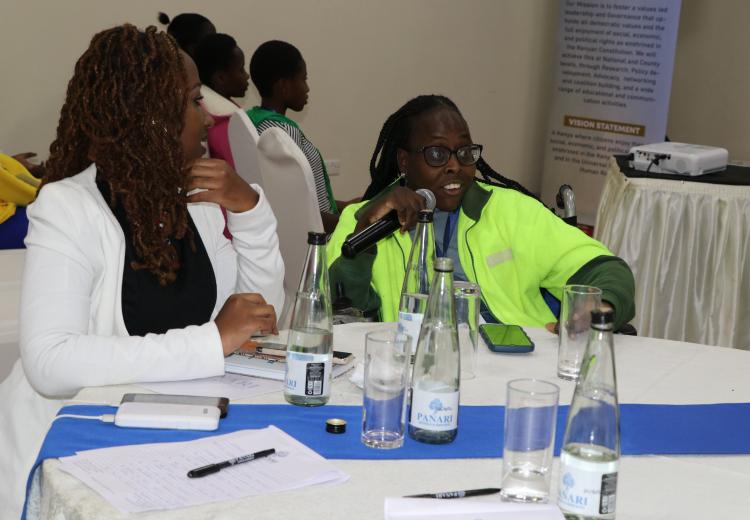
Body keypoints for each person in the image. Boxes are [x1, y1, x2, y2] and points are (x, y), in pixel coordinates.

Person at [0, 25, 284, 518]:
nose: (208, 116)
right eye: (194, 101)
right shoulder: (68, 207)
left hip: (175, 436)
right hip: (77, 445)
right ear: (152, 115)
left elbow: (257, 320)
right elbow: (51, 362)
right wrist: (210, 342)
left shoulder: (195, 201)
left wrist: (250, 212)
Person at [327, 94, 635, 331]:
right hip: (413, 368)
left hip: (516, 365)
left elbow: (605, 268)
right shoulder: (364, 220)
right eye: (437, 154)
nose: (454, 166)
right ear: (404, 161)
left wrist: (598, 308)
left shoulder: (512, 210)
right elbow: (335, 310)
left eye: (464, 152)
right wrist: (365, 235)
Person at [247, 40, 347, 234]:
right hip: (318, 238)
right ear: (284, 86)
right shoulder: (281, 133)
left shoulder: (255, 120)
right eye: (303, 79)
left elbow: (308, 197)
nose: (307, 88)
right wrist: (351, 224)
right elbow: (299, 209)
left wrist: (348, 207)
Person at [193, 33, 250, 118]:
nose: (247, 76)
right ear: (221, 78)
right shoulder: (224, 119)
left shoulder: (228, 109)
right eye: (241, 69)